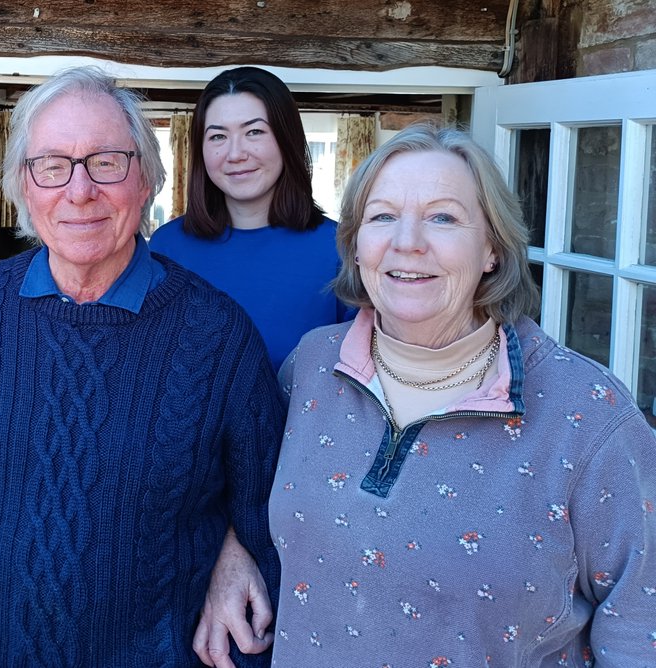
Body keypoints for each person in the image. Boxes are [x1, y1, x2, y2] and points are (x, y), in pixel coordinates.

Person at [0, 66, 285, 666]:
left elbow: (274, 520)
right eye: (52, 165)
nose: (79, 190)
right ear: (24, 185)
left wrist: (238, 551)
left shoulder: (218, 334)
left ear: (146, 178)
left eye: (106, 162)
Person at [265, 124, 655, 664]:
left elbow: (641, 619)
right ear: (355, 245)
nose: (407, 242)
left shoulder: (588, 412)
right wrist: (229, 562)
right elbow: (245, 495)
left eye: (443, 218)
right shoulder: (311, 366)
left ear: (492, 248)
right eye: (382, 217)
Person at [150, 66, 349, 371]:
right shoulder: (166, 248)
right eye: (218, 136)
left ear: (286, 138)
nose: (235, 154)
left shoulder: (339, 248)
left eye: (254, 132)